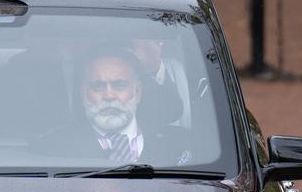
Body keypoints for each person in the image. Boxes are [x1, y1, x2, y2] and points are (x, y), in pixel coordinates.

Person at [33, 47, 188, 164]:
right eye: (97, 86)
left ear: (138, 92)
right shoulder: (51, 149)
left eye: (119, 85)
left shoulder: (181, 146)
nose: (109, 96)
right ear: (83, 94)